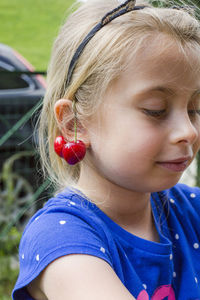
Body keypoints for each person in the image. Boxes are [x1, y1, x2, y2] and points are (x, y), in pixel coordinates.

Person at [12, 0, 200, 299]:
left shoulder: (192, 210)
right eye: (156, 110)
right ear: (75, 123)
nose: (188, 131)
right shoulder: (61, 238)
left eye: (194, 109)